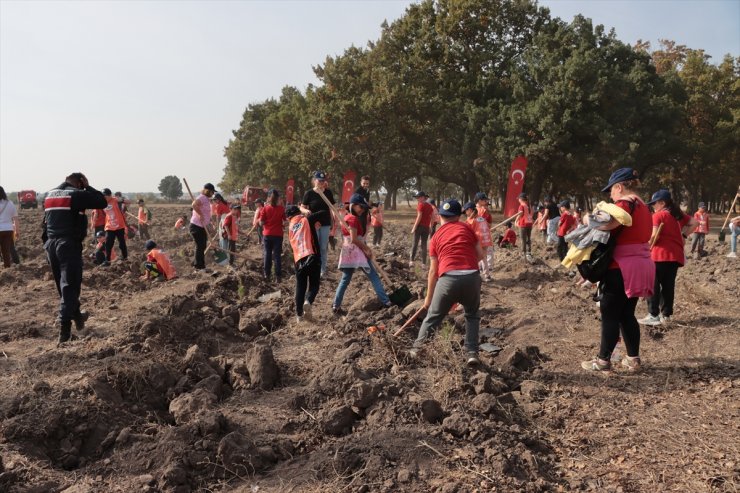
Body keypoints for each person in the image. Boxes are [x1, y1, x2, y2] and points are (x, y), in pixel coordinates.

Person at [582, 168, 654, 372]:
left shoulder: (624, 204)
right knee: (627, 314)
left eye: (611, 191)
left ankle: (603, 361)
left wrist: (587, 219)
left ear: (619, 187)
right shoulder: (643, 206)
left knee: (610, 313)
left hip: (621, 266)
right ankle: (633, 359)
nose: (610, 197)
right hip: (641, 264)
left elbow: (605, 224)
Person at [409, 199, 485, 365]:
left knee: (433, 317)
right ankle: (472, 353)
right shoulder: (467, 228)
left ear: (440, 217)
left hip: (448, 279)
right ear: (459, 216)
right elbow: (481, 255)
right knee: (472, 315)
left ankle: (416, 349)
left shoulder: (435, 237)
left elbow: (433, 271)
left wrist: (428, 298)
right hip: (472, 277)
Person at [42, 173, 107, 343]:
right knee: (70, 286)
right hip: (67, 244)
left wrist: (46, 248)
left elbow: (45, 224)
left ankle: (77, 317)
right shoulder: (76, 194)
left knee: (63, 286)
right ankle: (64, 333)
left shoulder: (49, 195)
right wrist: (88, 186)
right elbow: (101, 201)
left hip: (51, 244)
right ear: (79, 182)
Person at [638, 189, 697, 326]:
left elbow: (654, 236)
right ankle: (667, 315)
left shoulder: (658, 215)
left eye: (654, 203)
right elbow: (694, 223)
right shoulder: (677, 215)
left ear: (662, 203)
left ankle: (653, 315)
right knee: (668, 286)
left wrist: (644, 248)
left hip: (659, 255)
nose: (653, 206)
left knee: (651, 283)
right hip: (675, 256)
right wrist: (684, 235)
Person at [332, 194, 392, 314]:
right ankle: (387, 302)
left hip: (348, 253)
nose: (363, 210)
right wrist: (367, 249)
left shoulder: (347, 218)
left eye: (364, 208)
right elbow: (354, 239)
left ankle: (336, 306)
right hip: (358, 252)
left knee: (345, 279)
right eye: (361, 207)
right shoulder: (353, 219)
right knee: (374, 276)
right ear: (353, 205)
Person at [286, 205, 322, 322]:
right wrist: (304, 210)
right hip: (312, 256)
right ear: (299, 212)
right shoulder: (307, 219)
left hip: (298, 260)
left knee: (300, 287)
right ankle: (308, 301)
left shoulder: (291, 227)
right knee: (314, 285)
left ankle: (299, 315)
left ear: (288, 218)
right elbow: (324, 211)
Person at [300, 171, 336, 277]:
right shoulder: (309, 193)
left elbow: (333, 207)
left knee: (323, 247)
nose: (321, 183)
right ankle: (313, 268)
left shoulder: (328, 193)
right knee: (314, 246)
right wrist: (305, 211)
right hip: (313, 223)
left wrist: (335, 219)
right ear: (314, 181)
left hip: (325, 223)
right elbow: (302, 207)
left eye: (323, 181)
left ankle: (323, 269)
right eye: (319, 181)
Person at [260, 189, 286, 281]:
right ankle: (278, 276)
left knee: (267, 254)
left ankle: (267, 274)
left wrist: (266, 222)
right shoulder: (281, 209)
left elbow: (261, 223)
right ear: (278, 198)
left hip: (267, 234)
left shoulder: (265, 208)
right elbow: (285, 220)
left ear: (269, 198)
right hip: (278, 234)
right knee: (277, 255)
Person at [464, 201, 493, 281]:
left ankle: (476, 275)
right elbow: (489, 226)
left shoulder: (472, 220)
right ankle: (487, 276)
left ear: (470, 210)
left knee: (475, 258)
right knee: (483, 258)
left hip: (479, 241)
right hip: (486, 240)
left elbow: (467, 231)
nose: (465, 213)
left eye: (466, 211)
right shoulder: (482, 218)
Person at [190, 183, 214, 271]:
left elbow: (207, 213)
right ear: (208, 191)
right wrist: (200, 214)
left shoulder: (207, 199)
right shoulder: (202, 197)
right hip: (196, 226)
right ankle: (199, 267)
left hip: (202, 226)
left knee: (202, 246)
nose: (213, 194)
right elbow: (194, 204)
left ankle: (200, 265)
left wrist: (209, 223)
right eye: (212, 192)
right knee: (200, 246)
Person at [102, 188, 128, 265]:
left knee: (122, 243)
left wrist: (121, 199)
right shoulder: (102, 202)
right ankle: (107, 260)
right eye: (103, 196)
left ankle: (125, 257)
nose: (104, 198)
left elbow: (128, 201)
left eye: (105, 196)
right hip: (109, 226)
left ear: (110, 195)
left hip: (119, 226)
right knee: (108, 244)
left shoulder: (115, 200)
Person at [410, 191, 434, 267]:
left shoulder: (420, 205)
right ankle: (423, 263)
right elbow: (432, 217)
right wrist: (430, 226)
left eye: (419, 197)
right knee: (424, 245)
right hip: (426, 228)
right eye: (417, 197)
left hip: (420, 226)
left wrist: (414, 227)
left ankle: (411, 261)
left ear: (423, 197)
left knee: (415, 243)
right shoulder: (430, 206)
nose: (417, 199)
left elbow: (419, 216)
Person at [0, 186, 19, 268]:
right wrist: (17, 231)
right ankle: (7, 268)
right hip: (8, 230)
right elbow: (15, 219)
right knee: (6, 251)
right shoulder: (10, 203)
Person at [516, 193, 534, 260]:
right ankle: (528, 252)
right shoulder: (529, 206)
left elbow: (520, 214)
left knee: (523, 239)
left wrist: (516, 221)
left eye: (519, 199)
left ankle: (523, 253)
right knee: (528, 238)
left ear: (521, 199)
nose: (518, 200)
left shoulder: (522, 206)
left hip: (523, 224)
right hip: (529, 224)